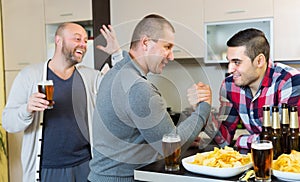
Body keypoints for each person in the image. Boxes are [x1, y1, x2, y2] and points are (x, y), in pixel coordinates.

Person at [89, 14, 212, 182]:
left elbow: (144, 138)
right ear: (146, 43)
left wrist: (185, 137)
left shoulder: (116, 73)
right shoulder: (138, 87)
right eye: (167, 47)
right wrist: (204, 106)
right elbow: (171, 146)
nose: (171, 56)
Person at [2, 22, 122, 182]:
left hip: (85, 166)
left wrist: (117, 54)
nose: (83, 45)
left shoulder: (90, 77)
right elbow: (8, 122)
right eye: (77, 39)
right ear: (58, 41)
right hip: (47, 170)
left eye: (85, 40)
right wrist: (27, 109)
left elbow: (124, 91)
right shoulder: (29, 76)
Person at [200, 28, 300, 150]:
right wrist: (203, 109)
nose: (230, 69)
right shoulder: (229, 85)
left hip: (287, 164)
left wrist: (241, 140)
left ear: (259, 61)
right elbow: (224, 140)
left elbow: (286, 141)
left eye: (237, 62)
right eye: (229, 61)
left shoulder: (290, 80)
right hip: (256, 160)